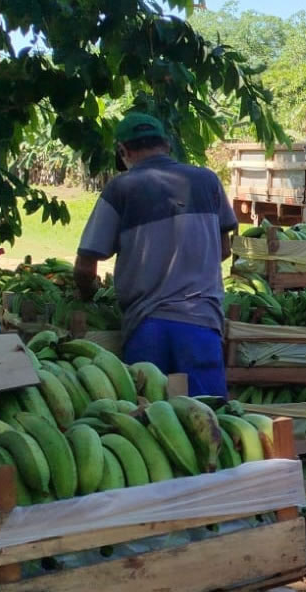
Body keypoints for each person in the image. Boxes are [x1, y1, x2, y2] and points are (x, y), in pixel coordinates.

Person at [74, 112, 237, 398]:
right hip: (201, 323)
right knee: (211, 422)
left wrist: (87, 295)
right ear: (167, 144)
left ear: (123, 151)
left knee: (149, 426)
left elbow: (86, 265)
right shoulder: (207, 181)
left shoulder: (121, 188)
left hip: (147, 326)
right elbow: (224, 249)